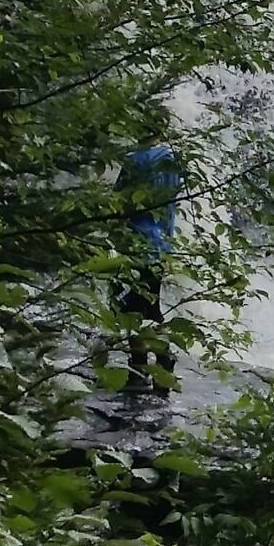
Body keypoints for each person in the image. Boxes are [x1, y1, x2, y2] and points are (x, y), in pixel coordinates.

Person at [112, 134, 183, 392]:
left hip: (136, 244)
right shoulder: (171, 159)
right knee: (150, 307)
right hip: (161, 244)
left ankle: (144, 368)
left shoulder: (135, 161)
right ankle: (158, 366)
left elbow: (118, 201)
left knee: (132, 309)